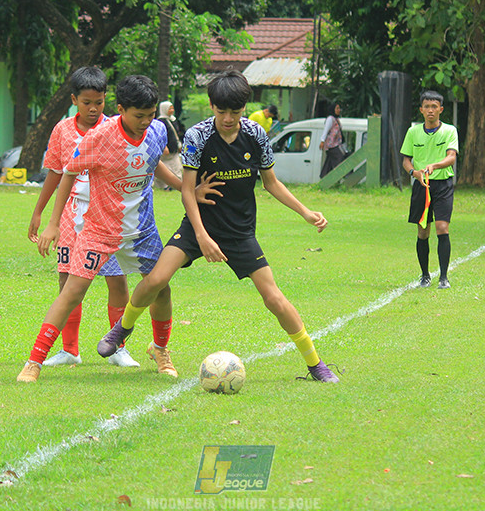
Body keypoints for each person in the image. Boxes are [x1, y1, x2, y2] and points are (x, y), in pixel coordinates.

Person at [93, 70, 339, 383]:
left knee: (273, 298)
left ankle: (315, 364)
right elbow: (187, 189)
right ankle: (122, 330)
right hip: (199, 225)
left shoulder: (255, 135)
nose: (227, 118)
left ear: (244, 108)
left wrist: (305, 211)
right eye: (221, 111)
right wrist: (202, 236)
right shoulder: (197, 135)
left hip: (239, 232)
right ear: (212, 106)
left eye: (234, 112)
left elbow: (271, 183)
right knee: (156, 278)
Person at [18, 75, 172, 383]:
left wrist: (185, 188)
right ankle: (34, 362)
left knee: (160, 288)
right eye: (138, 116)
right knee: (72, 291)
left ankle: (160, 349)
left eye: (150, 114)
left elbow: (154, 163)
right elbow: (67, 174)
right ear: (120, 109)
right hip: (101, 229)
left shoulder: (157, 130)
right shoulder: (99, 137)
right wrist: (52, 223)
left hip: (142, 230)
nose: (145, 121)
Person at [401, 90, 459, 289]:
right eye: (427, 107)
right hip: (421, 186)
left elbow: (451, 157)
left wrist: (435, 166)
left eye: (434, 107)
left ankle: (443, 277)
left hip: (443, 184)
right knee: (423, 231)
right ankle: (425, 275)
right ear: (421, 110)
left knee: (442, 228)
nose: (430, 110)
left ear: (441, 109)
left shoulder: (450, 131)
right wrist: (413, 173)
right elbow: (406, 160)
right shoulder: (413, 132)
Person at [154, 100, 182, 190]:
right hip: (166, 151)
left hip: (173, 149)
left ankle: (175, 186)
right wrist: (164, 146)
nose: (172, 110)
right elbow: (160, 135)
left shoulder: (172, 120)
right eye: (170, 109)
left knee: (177, 167)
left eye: (172, 108)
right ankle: (164, 186)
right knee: (165, 168)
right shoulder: (161, 122)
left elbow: (175, 134)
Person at [319, 102, 347, 178]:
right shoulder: (330, 119)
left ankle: (324, 176)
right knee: (339, 158)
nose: (339, 110)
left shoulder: (336, 119)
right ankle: (343, 176)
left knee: (329, 161)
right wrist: (322, 141)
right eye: (337, 108)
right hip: (331, 145)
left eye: (339, 108)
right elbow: (326, 130)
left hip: (336, 144)